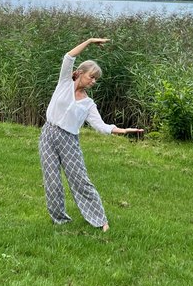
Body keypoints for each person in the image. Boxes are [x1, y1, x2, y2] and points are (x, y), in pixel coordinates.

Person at [39, 38, 143, 232]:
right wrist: (90, 41)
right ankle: (60, 219)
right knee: (51, 180)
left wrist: (121, 130)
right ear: (80, 73)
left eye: (96, 79)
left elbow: (101, 125)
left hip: (69, 141)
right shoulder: (64, 83)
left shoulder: (88, 104)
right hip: (48, 134)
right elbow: (69, 56)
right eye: (91, 77)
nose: (93, 82)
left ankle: (100, 220)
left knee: (80, 181)